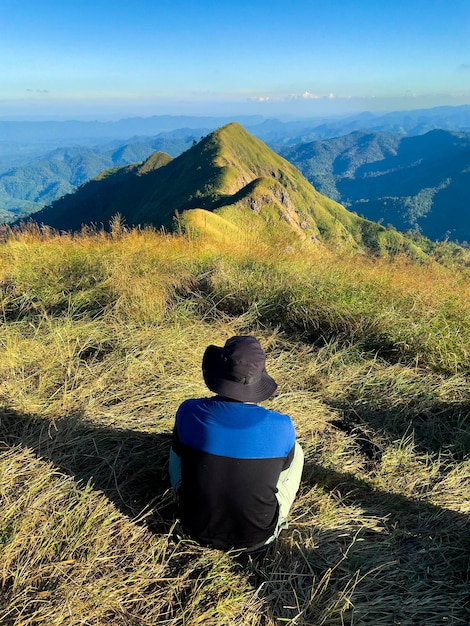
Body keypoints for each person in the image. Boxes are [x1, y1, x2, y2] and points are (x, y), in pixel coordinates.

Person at [169, 335, 304, 553]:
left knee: (179, 440)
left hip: (192, 528)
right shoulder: (282, 425)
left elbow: (178, 451)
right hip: (257, 539)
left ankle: (182, 494)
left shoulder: (189, 410)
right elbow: (285, 468)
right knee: (296, 451)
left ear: (218, 372)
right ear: (260, 378)